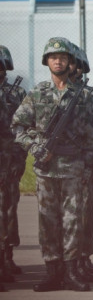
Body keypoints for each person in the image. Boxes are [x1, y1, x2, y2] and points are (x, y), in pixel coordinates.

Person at [11, 37, 93, 292]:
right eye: (53, 57)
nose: (58, 61)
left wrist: (89, 167)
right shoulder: (37, 93)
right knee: (48, 221)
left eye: (62, 57)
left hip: (74, 168)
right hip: (46, 169)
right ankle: (53, 272)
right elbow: (18, 126)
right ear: (47, 61)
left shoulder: (84, 95)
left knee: (73, 221)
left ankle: (71, 272)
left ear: (70, 62)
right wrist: (35, 146)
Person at [68, 44, 93, 283]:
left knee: (85, 214)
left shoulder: (92, 95)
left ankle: (83, 257)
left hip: (86, 163)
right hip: (62, 163)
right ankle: (67, 261)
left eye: (72, 61)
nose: (69, 65)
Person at [0, 46, 27, 289]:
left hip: (9, 163)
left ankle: (6, 257)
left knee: (8, 211)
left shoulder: (16, 93)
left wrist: (19, 162)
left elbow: (23, 130)